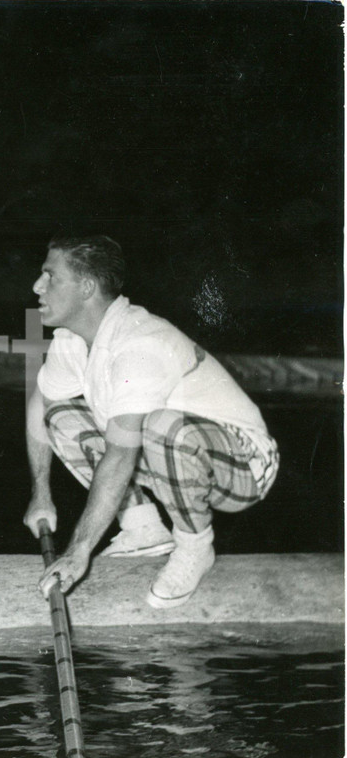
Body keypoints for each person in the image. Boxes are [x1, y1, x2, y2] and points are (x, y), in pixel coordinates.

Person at [22, 235, 279, 608]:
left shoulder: (140, 344)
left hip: (245, 465)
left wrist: (79, 552)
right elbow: (40, 406)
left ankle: (195, 546)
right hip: (167, 455)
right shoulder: (72, 341)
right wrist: (41, 494)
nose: (37, 286)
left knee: (160, 426)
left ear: (87, 288)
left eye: (50, 276)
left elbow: (120, 456)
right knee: (60, 415)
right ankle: (142, 527)